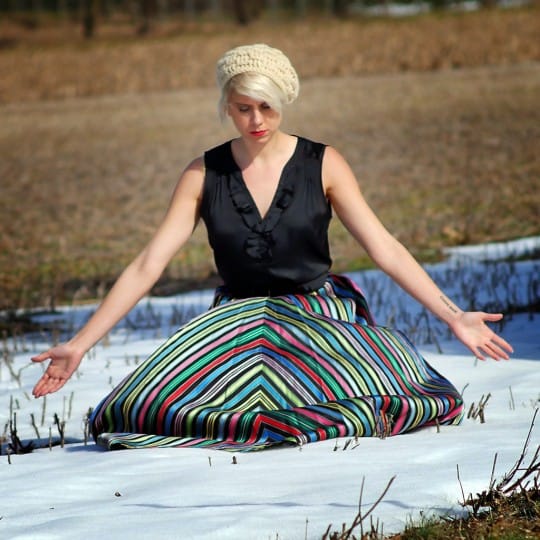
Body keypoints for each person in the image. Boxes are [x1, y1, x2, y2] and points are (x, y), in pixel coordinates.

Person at [31, 44, 513, 451]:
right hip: (233, 321)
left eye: (267, 107)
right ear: (226, 105)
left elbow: (385, 247)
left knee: (349, 404)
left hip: (318, 317)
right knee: (146, 410)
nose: (256, 120)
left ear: (285, 101)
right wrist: (79, 344)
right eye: (243, 108)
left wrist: (453, 315)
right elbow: (147, 265)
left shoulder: (324, 163)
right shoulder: (203, 173)